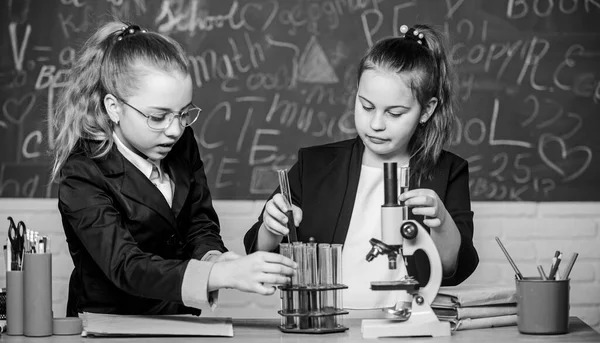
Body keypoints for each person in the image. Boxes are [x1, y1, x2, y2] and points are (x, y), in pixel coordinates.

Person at [51, 22, 296, 317]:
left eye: (183, 114)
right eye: (158, 117)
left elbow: (199, 223)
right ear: (114, 107)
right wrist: (220, 276)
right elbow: (125, 266)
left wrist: (215, 258)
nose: (175, 130)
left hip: (179, 320)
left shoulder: (182, 143)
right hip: (109, 327)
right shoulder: (82, 173)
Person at [244, 24, 479, 310]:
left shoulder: (448, 172)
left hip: (407, 325)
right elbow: (257, 252)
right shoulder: (314, 166)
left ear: (426, 110)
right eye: (366, 106)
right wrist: (271, 227)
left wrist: (441, 221)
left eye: (394, 113)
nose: (376, 124)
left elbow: (454, 269)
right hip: (323, 323)